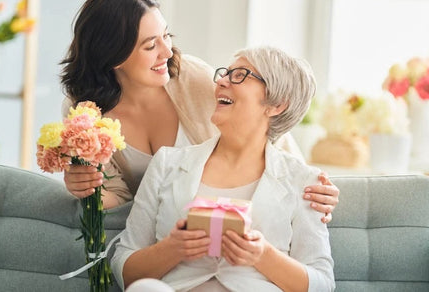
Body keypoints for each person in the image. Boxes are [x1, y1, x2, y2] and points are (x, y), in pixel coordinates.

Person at [60, 0, 339, 222]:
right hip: (164, 228)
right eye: (150, 45)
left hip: (231, 215)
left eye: (166, 35)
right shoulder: (83, 111)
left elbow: (264, 130)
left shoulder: (191, 77)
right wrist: (88, 187)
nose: (167, 52)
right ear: (113, 55)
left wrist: (310, 187)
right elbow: (118, 198)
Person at [111, 46, 335, 291]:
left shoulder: (305, 181)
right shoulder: (167, 164)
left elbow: (323, 284)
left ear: (277, 104)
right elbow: (125, 267)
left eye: (239, 75)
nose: (221, 81)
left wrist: (263, 256)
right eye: (224, 73)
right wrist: (172, 249)